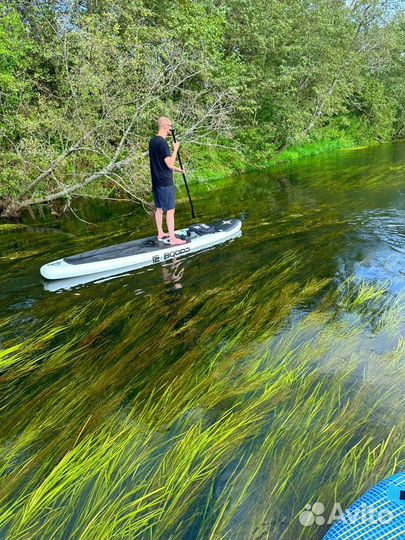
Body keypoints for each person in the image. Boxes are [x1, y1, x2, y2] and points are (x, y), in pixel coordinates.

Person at [149, 117, 186, 246]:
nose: (171, 128)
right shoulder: (163, 143)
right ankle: (173, 239)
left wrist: (179, 170)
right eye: (170, 125)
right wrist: (176, 148)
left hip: (156, 181)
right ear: (165, 125)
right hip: (165, 182)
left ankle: (160, 233)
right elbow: (169, 163)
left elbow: (162, 164)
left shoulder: (153, 141)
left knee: (159, 208)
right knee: (170, 210)